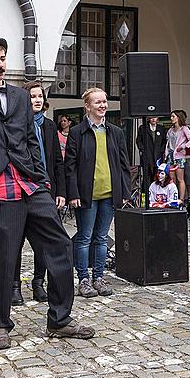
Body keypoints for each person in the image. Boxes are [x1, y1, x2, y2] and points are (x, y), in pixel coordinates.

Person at [0, 34, 94, 350]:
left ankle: (59, 319)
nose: (0, 64)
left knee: (60, 244)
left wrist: (43, 179)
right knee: (2, 257)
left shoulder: (20, 97)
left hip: (31, 183)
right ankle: (0, 324)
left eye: (2, 58)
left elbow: (31, 140)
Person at [66, 87, 131, 298]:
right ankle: (84, 279)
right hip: (86, 195)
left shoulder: (116, 132)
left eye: (104, 101)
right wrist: (72, 193)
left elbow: (124, 165)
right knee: (85, 237)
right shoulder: (77, 132)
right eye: (97, 102)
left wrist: (124, 192)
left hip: (110, 194)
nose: (103, 105)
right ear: (87, 106)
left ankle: (99, 277)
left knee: (102, 238)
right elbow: (70, 167)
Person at [12, 81, 66, 304]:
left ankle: (38, 283)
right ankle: (14, 286)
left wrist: (60, 191)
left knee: (44, 242)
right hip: (21, 189)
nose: (37, 99)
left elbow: (57, 162)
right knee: (16, 241)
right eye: (32, 95)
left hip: (45, 189)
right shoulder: (15, 124)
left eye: (39, 96)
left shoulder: (50, 126)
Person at [136, 116, 167, 206]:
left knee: (158, 177)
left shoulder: (161, 128)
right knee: (146, 179)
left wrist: (161, 151)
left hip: (157, 157)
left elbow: (164, 141)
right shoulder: (143, 127)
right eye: (152, 117)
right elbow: (138, 141)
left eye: (155, 117)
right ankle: (144, 201)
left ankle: (157, 200)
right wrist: (142, 150)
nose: (153, 119)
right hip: (147, 156)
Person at [166, 110, 190, 202]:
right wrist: (166, 154)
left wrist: (183, 147)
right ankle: (173, 196)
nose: (171, 118)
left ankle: (182, 199)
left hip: (179, 156)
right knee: (171, 178)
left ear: (178, 118)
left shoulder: (184, 129)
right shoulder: (170, 130)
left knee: (180, 178)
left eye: (173, 116)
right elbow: (168, 143)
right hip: (171, 155)